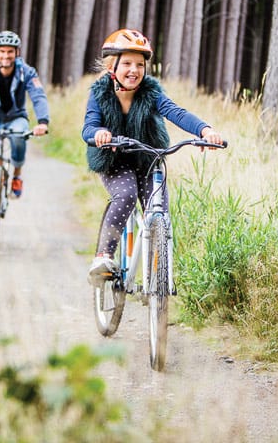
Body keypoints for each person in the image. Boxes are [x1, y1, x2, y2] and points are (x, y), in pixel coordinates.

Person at [81, 28, 223, 282]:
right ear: (112, 66)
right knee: (126, 195)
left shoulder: (151, 92)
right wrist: (100, 133)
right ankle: (104, 256)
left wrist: (205, 130)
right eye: (127, 63)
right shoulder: (99, 93)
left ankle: (156, 277)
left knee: (158, 211)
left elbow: (176, 112)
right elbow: (89, 127)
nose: (134, 70)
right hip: (114, 161)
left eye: (139, 64)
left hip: (148, 158)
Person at [0, 30, 50, 235]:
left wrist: (42, 121)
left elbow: (38, 95)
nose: (6, 56)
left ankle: (16, 174)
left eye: (10, 52)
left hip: (16, 119)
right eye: (2, 52)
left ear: (17, 53)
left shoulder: (26, 71)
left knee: (19, 137)